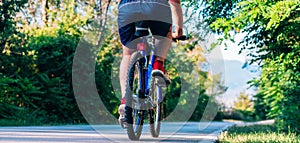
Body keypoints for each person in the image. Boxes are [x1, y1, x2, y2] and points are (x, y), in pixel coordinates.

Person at [117, 0, 183, 125]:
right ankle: (158, 64)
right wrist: (178, 29)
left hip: (127, 7)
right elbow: (175, 3)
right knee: (164, 36)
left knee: (128, 54)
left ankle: (125, 101)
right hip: (156, 6)